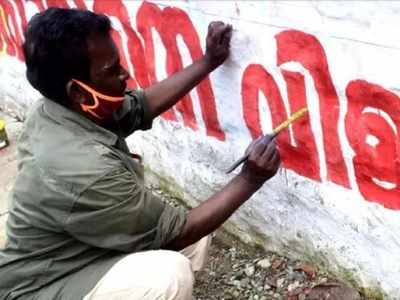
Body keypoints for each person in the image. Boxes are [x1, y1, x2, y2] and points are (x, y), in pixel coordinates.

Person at [0, 7, 280, 300]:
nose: (125, 74)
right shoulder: (84, 169)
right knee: (167, 276)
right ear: (78, 92)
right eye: (112, 70)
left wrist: (208, 61)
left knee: (194, 240)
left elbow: (139, 106)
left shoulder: (59, 109)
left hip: (78, 252)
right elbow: (178, 232)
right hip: (41, 287)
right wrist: (250, 178)